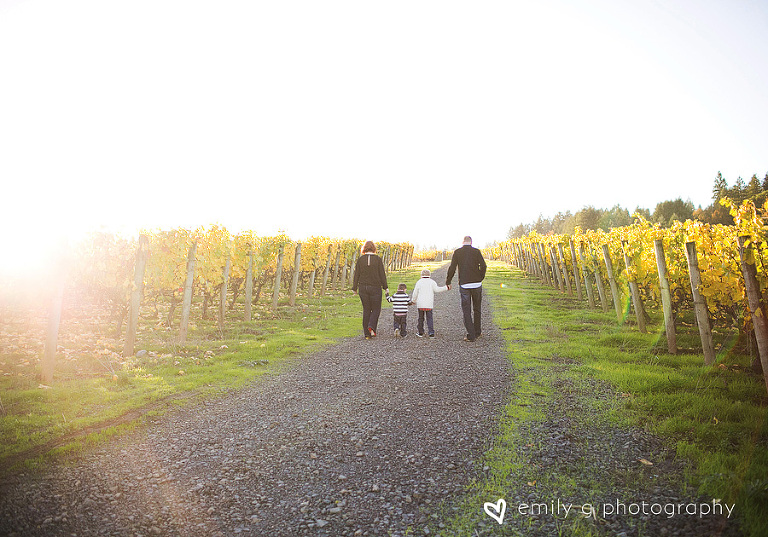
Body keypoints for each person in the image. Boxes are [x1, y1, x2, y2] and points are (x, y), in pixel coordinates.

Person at [446, 236, 487, 341]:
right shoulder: (476, 251)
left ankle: (471, 335)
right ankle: (477, 332)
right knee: (477, 309)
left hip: (464, 285)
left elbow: (452, 268)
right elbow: (483, 266)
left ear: (463, 242)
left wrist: (448, 281)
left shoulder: (458, 252)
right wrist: (480, 277)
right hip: (477, 284)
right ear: (471, 242)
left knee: (466, 310)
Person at [352, 241, 389, 339]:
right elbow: (382, 274)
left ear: (364, 248)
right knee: (376, 309)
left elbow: (357, 275)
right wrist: (385, 287)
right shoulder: (377, 259)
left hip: (363, 288)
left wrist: (354, 288)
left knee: (366, 309)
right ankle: (371, 326)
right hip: (375, 287)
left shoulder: (360, 260)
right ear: (373, 248)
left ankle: (367, 334)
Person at [410, 268, 449, 338]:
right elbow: (437, 289)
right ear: (429, 275)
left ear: (421, 275)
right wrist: (446, 288)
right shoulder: (432, 282)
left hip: (420, 304)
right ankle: (431, 332)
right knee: (429, 318)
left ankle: (420, 332)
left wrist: (413, 301)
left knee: (421, 318)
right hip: (429, 304)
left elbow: (415, 293)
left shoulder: (419, 282)